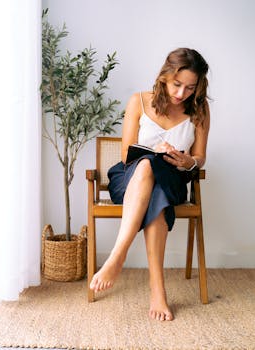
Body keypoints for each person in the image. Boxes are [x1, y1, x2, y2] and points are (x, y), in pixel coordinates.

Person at [89, 48, 211, 321]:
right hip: (130, 179)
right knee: (146, 165)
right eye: (177, 85)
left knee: (159, 189)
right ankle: (156, 288)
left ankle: (117, 257)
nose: (181, 94)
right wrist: (154, 150)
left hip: (173, 179)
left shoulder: (200, 109)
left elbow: (200, 158)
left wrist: (186, 160)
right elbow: (125, 155)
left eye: (190, 88)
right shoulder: (139, 101)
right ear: (165, 76)